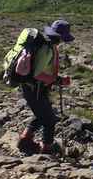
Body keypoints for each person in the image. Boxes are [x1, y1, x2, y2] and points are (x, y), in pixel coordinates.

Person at [18, 19, 73, 154]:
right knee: (49, 120)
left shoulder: (46, 46)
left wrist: (57, 80)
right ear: (59, 37)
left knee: (42, 113)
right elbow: (38, 74)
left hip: (33, 87)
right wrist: (57, 80)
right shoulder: (47, 49)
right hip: (35, 88)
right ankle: (47, 148)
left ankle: (25, 139)